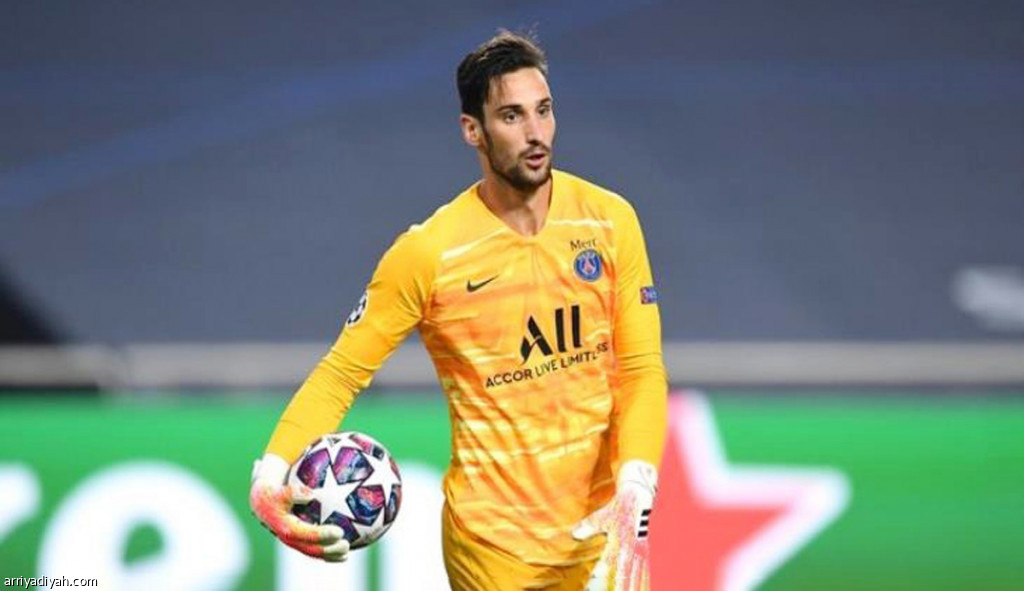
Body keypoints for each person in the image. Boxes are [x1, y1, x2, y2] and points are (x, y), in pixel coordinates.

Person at [250, 30, 667, 591]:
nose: (535, 132)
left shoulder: (610, 221)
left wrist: (637, 483)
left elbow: (641, 370)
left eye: (543, 110)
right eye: (512, 116)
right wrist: (270, 476)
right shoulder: (428, 254)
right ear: (473, 130)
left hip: (606, 536)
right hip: (493, 550)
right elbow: (341, 373)